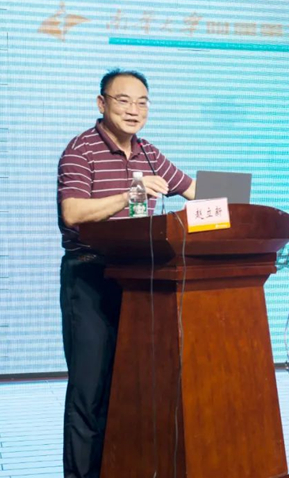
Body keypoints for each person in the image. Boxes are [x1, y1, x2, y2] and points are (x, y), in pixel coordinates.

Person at [56, 69, 195, 478]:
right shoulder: (81, 150)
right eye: (123, 100)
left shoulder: (149, 153)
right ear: (102, 103)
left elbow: (193, 190)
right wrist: (130, 194)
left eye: (142, 102)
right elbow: (72, 212)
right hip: (90, 278)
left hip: (138, 280)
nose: (134, 110)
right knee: (90, 390)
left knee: (131, 386)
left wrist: (237, 204)